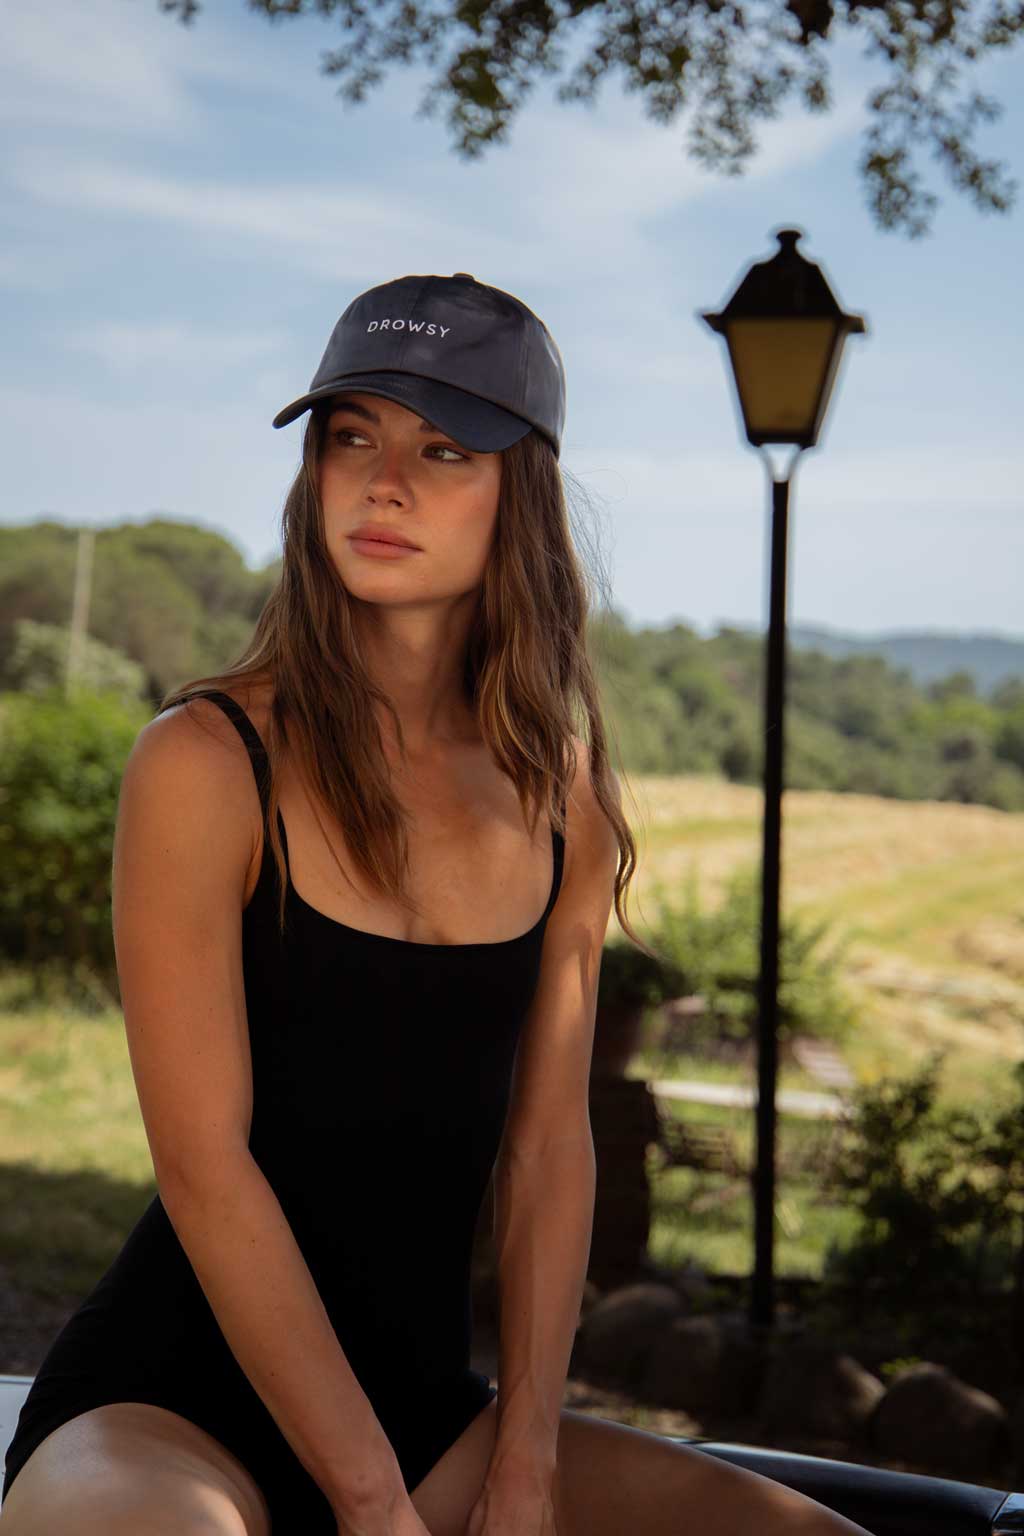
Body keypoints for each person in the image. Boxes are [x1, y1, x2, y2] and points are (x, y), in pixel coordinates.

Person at [0, 273, 876, 1536]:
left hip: (432, 1420)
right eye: (348, 435)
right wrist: (368, 1505)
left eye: (441, 447)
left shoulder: (562, 796)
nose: (381, 479)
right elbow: (205, 1169)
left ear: (518, 496)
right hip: (169, 1412)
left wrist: (525, 1464)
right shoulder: (204, 762)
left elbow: (547, 1150)